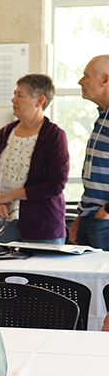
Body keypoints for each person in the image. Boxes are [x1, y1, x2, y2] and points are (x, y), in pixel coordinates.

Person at [0, 74, 69, 244]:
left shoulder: (54, 136)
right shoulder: (5, 133)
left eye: (19, 95)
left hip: (43, 226)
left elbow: (56, 184)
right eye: (14, 94)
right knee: (7, 271)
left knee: (41, 271)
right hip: (5, 223)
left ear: (40, 101)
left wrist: (11, 195)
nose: (13, 100)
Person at [68, 55, 109, 249]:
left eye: (86, 76)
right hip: (90, 217)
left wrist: (106, 211)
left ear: (105, 80)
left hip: (104, 220)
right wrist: (81, 217)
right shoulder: (102, 117)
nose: (80, 81)